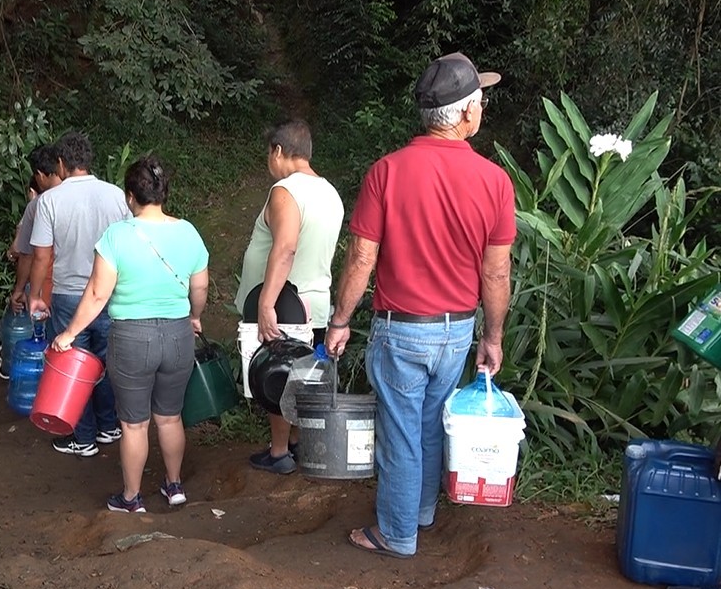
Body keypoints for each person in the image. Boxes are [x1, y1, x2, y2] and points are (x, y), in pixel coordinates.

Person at [324, 52, 514, 558]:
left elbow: (363, 255)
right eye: (482, 101)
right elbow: (495, 272)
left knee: (402, 435)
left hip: (401, 329)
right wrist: (492, 337)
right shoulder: (495, 181)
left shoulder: (387, 171)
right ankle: (420, 515)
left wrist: (340, 319)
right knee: (430, 425)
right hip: (458, 332)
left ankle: (397, 532)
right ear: (467, 114)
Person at [51, 156, 208, 513]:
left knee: (134, 425)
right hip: (178, 335)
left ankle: (132, 498)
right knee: (170, 417)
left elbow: (96, 294)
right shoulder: (188, 232)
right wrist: (195, 317)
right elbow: (200, 287)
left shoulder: (117, 236)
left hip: (133, 338)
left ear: (130, 196)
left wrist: (69, 334)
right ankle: (174, 486)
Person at [233, 120, 344, 474]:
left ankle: (279, 451)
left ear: (278, 151)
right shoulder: (330, 192)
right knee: (301, 375)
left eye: (269, 154)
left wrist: (266, 303)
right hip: (314, 303)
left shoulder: (286, 191)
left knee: (276, 373)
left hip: (284, 304)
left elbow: (285, 249)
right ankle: (296, 443)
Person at [28, 131, 131, 457]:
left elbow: (42, 255)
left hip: (70, 296)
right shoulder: (115, 195)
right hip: (110, 294)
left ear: (61, 163)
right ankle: (109, 426)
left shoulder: (49, 201)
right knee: (105, 362)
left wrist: (35, 295)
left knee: (73, 365)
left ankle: (83, 437)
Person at [9, 144, 61, 314]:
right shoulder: (96, 198)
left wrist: (19, 290)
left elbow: (29, 254)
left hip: (50, 293)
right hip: (95, 294)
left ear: (39, 175)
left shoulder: (39, 204)